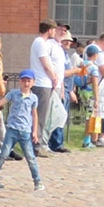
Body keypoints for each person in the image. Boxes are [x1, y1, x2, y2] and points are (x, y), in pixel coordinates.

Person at [0, 69, 43, 191]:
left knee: (30, 158)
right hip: (12, 129)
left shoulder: (34, 98)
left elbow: (34, 114)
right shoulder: (13, 93)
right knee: (3, 154)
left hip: (25, 131)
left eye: (29, 81)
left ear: (33, 82)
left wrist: (35, 131)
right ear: (19, 82)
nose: (26, 83)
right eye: (24, 81)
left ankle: (37, 180)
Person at [27, 19, 58, 157]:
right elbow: (45, 64)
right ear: (49, 29)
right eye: (53, 29)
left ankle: (35, 142)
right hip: (41, 82)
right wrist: (53, 77)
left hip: (43, 82)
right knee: (40, 115)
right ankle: (36, 144)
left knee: (41, 115)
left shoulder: (42, 43)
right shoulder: (40, 42)